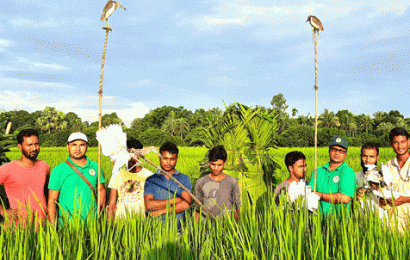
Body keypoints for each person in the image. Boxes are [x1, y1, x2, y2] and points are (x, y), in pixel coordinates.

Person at [48, 132, 106, 224]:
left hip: (92, 225)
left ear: (87, 146)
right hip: (67, 225)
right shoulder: (58, 170)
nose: (78, 149)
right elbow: (52, 200)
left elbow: (101, 190)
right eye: (74, 145)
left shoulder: (96, 167)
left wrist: (100, 213)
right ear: (68, 147)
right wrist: (52, 226)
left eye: (82, 145)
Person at [0, 129, 50, 227]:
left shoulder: (44, 166)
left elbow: (48, 192)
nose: (34, 148)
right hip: (16, 228)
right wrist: (3, 211)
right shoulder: (7, 169)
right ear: (20, 146)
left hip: (42, 225)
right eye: (29, 145)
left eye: (36, 144)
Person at [144, 141, 191, 229]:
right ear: (159, 158)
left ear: (176, 159)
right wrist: (176, 200)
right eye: (165, 158)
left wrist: (159, 211)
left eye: (172, 159)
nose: (168, 162)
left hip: (178, 229)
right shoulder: (151, 180)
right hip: (156, 229)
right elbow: (148, 205)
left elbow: (186, 204)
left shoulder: (184, 179)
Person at [107, 139, 154, 220]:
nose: (131, 158)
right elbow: (112, 204)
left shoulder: (149, 176)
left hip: (141, 222)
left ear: (140, 155)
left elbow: (152, 204)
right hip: (120, 222)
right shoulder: (117, 175)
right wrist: (109, 225)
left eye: (134, 155)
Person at [308, 136, 356, 216]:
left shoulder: (347, 172)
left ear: (345, 153)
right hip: (317, 219)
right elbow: (309, 192)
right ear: (329, 150)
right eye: (334, 150)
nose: (337, 153)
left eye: (341, 151)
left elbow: (344, 198)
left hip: (339, 221)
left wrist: (319, 195)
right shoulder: (318, 171)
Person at [194, 145, 241, 221]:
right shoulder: (201, 182)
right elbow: (197, 208)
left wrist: (237, 227)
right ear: (209, 163)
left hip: (226, 225)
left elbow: (236, 206)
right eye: (213, 164)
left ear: (224, 163)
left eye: (219, 165)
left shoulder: (232, 181)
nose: (216, 168)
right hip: (206, 225)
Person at [382, 127, 410, 233]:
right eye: (396, 142)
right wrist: (383, 199)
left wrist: (406, 199)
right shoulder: (387, 166)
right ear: (391, 144)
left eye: (403, 142)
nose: (400, 146)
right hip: (394, 222)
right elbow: (383, 192)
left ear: (409, 142)